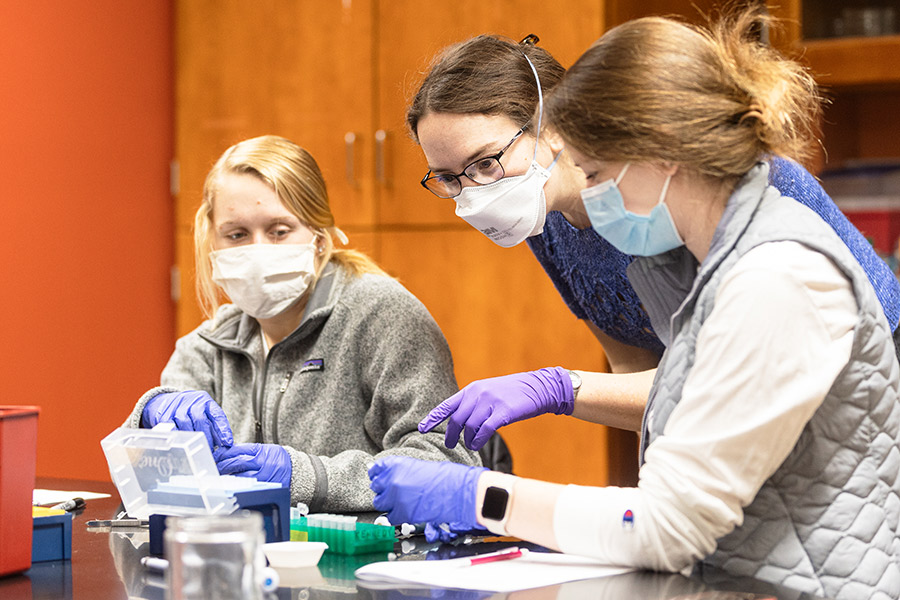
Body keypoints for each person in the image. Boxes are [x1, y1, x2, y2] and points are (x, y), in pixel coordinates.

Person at [369, 9, 900, 599]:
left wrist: (486, 496)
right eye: (449, 179)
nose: (590, 198)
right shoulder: (675, 248)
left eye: (594, 172)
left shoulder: (773, 273)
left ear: (663, 153)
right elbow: (672, 409)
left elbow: (671, 522)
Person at [406, 31, 900, 458]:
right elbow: (638, 373)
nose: (473, 193)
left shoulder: (704, 200)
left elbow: (736, 382)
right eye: (449, 178)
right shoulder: (545, 219)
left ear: (551, 124)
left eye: (485, 164)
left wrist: (561, 388)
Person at [123, 135, 479, 512]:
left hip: (366, 547)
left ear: (320, 237)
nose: (258, 250)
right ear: (213, 243)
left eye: (279, 231)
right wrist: (149, 420)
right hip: (246, 546)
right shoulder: (210, 345)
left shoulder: (381, 314)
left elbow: (448, 462)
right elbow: (147, 483)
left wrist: (312, 478)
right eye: (236, 235)